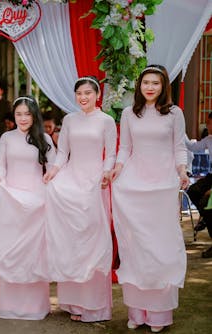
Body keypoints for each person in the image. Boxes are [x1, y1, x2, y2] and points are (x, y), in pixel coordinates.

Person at [110, 65, 189, 332]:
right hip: (134, 184)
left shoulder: (174, 113)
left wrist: (182, 170)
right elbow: (125, 148)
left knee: (160, 245)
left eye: (156, 83)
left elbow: (179, 146)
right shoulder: (130, 113)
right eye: (146, 82)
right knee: (136, 246)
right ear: (139, 86)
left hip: (163, 185)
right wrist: (117, 169)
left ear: (163, 86)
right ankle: (137, 311)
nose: (150, 87)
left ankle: (159, 314)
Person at [43, 76, 116, 323]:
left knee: (92, 239)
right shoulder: (69, 120)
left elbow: (111, 153)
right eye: (79, 94)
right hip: (71, 177)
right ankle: (73, 301)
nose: (83, 97)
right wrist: (53, 170)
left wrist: (106, 172)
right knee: (71, 240)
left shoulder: (106, 121)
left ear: (97, 95)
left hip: (95, 181)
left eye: (88, 93)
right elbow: (63, 152)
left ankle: (94, 305)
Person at [0, 96, 56, 320]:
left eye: (27, 114)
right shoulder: (7, 137)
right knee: (12, 250)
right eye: (18, 114)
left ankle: (35, 307)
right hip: (11, 201)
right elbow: (1, 165)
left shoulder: (44, 138)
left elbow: (53, 168)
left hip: (37, 201)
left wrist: (48, 181)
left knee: (33, 253)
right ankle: (9, 306)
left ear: (34, 115)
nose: (23, 118)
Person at [185, 113, 212, 255]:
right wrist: (180, 132)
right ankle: (206, 219)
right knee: (193, 191)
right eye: (207, 123)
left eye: (210, 123)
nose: (208, 126)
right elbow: (193, 147)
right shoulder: (208, 139)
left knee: (206, 204)